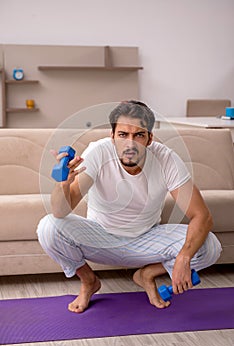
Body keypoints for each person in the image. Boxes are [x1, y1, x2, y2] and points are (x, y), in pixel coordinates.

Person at [37, 100, 222, 313]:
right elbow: (60, 211)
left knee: (210, 246)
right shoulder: (98, 152)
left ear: (150, 138)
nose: (130, 144)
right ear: (112, 136)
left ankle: (146, 275)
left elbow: (202, 216)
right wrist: (63, 184)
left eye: (139, 135)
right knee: (48, 227)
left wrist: (183, 257)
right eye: (123, 135)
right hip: (100, 237)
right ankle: (89, 281)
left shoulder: (166, 158)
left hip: (146, 237)